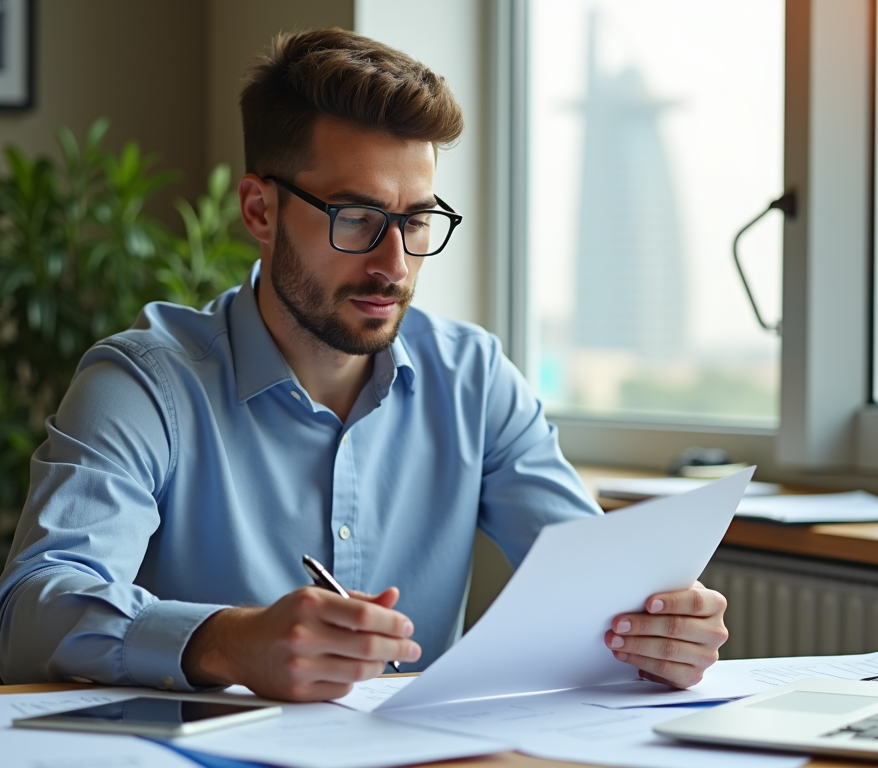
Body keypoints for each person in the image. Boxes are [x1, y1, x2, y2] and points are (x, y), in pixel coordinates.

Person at [0, 28, 728, 702]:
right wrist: (225, 643)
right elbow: (32, 610)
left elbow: (597, 587)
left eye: (415, 220)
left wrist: (661, 625)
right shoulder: (144, 383)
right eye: (356, 218)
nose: (395, 263)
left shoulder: (474, 380)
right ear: (259, 210)